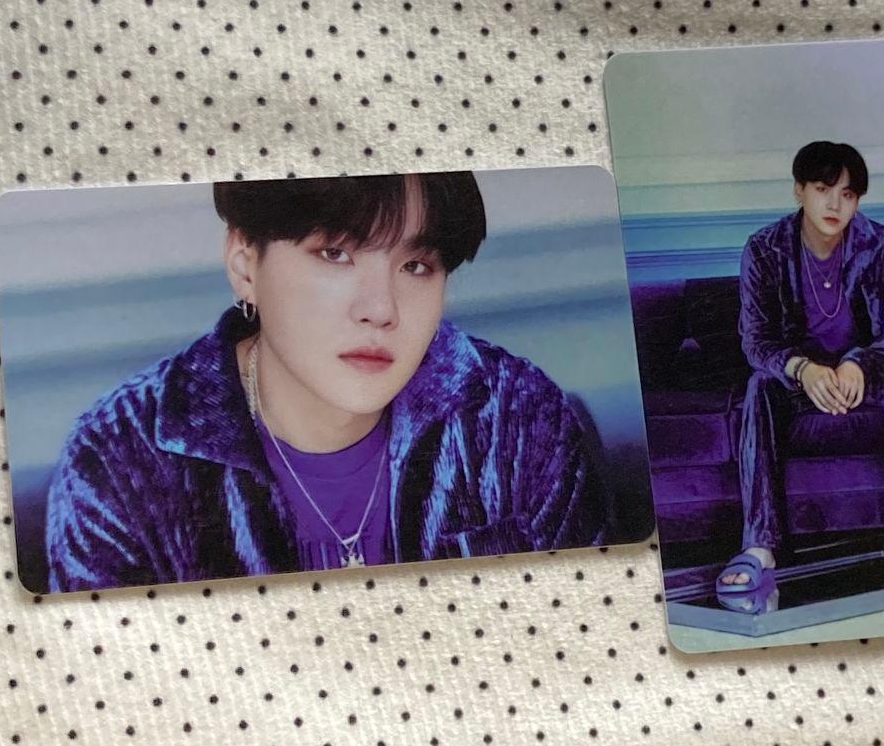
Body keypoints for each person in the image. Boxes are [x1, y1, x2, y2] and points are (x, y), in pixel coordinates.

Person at [46, 172, 611, 592]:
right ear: (245, 264)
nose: (381, 310)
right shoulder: (122, 457)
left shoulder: (515, 417)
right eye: (335, 254)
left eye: (415, 266)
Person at [719, 140, 884, 598]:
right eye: (823, 190)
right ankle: (759, 546)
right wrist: (802, 369)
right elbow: (755, 342)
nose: (836, 205)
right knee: (759, 387)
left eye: (848, 194)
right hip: (800, 382)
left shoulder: (881, 245)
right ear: (799, 190)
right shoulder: (763, 250)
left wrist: (860, 362)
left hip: (869, 378)